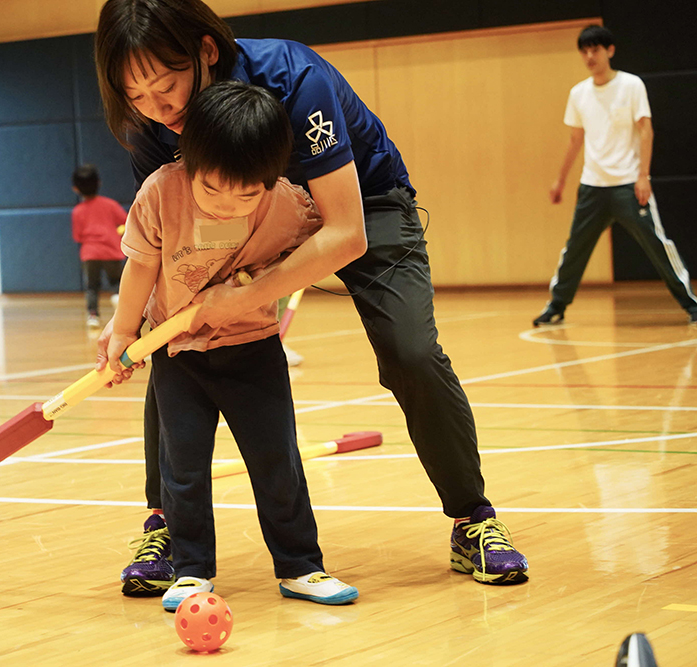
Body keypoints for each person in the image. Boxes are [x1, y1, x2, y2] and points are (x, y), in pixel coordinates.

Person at [96, 0, 529, 594]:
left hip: (361, 207)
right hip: (236, 215)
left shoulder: (294, 81)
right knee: (172, 343)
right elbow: (164, 239)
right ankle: (165, 524)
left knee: (411, 350)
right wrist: (135, 326)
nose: (158, 109)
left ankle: (472, 520)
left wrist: (248, 299)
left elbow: (344, 232)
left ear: (206, 51)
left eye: (167, 86)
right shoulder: (150, 126)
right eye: (137, 96)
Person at [108, 80, 357, 611]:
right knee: (184, 468)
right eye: (213, 189)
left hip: (254, 349)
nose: (228, 204)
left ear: (270, 179)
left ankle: (301, 567)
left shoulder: (287, 204)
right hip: (178, 355)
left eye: (246, 193)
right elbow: (141, 267)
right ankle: (192, 570)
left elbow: (322, 246)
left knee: (277, 461)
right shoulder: (160, 193)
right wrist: (124, 332)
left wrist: (268, 276)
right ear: (190, 162)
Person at [534, 25, 697, 327]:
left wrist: (643, 175)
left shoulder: (631, 85)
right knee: (575, 250)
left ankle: (691, 304)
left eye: (595, 49)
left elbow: (645, 129)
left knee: (657, 244)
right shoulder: (579, 93)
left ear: (609, 50)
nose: (589, 56)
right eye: (584, 51)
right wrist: (561, 179)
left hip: (628, 185)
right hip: (592, 187)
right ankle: (556, 306)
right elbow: (575, 139)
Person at [71, 164, 127, 328]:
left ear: (75, 188)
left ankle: (93, 316)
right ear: (99, 183)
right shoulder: (110, 204)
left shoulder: (78, 211)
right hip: (111, 250)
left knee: (92, 287)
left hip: (90, 253)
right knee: (117, 282)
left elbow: (77, 236)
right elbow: (126, 221)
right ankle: (118, 299)